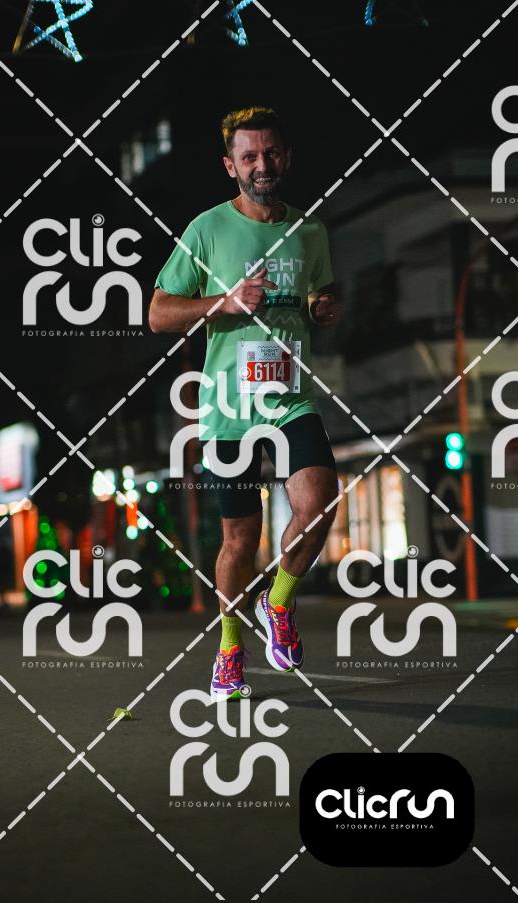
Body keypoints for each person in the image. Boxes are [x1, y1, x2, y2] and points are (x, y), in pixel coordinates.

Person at [149, 106, 341, 699]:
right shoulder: (206, 230)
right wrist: (224, 303)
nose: (262, 164)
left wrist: (323, 307)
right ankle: (230, 648)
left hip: (290, 399)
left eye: (271, 152)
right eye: (249, 155)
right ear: (229, 165)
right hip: (228, 409)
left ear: (287, 157)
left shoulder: (310, 231)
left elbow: (321, 292)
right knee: (240, 540)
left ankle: (277, 603)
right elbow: (158, 313)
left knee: (320, 505)